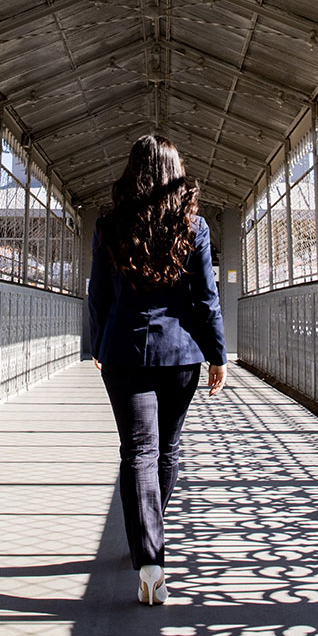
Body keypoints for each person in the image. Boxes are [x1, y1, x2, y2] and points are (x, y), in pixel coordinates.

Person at [88, 134, 227, 605]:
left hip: (124, 351)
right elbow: (206, 298)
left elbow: (99, 295)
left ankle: (149, 559)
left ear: (133, 172)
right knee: (166, 450)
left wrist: (98, 345)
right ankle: (151, 537)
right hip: (180, 354)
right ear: (174, 173)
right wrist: (217, 355)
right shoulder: (195, 227)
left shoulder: (109, 225)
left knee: (138, 452)